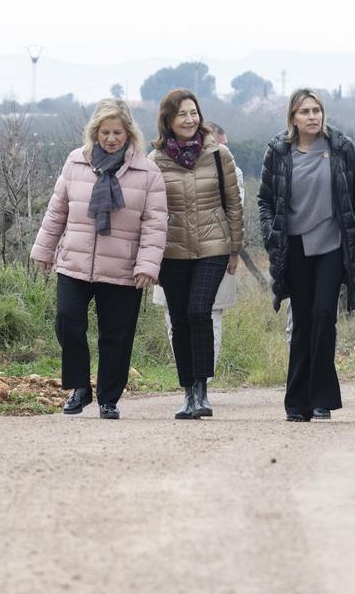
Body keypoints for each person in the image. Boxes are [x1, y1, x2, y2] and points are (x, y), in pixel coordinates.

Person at [30, 98, 167, 420]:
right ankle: (80, 387)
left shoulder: (147, 172)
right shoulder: (75, 162)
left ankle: (109, 397)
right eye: (105, 132)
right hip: (75, 261)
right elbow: (57, 210)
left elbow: (155, 223)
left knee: (116, 335)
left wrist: (147, 265)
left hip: (122, 266)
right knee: (68, 321)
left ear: (128, 133)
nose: (111, 138)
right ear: (95, 132)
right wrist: (44, 249)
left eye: (117, 132)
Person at [258, 88, 355, 422]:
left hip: (332, 245)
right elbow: (265, 200)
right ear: (293, 117)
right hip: (294, 247)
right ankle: (297, 403)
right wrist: (269, 233)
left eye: (316, 110)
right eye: (305, 111)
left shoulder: (341, 147)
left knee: (324, 315)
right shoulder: (278, 151)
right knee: (303, 322)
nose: (312, 117)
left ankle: (321, 397)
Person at [150, 89, 244, 420]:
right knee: (179, 319)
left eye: (194, 113)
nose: (190, 120)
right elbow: (149, 213)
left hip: (212, 247)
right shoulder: (155, 161)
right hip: (171, 251)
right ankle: (187, 391)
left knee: (198, 311)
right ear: (168, 121)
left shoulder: (219, 155)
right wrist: (149, 258)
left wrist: (234, 248)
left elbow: (233, 204)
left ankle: (202, 390)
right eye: (182, 115)